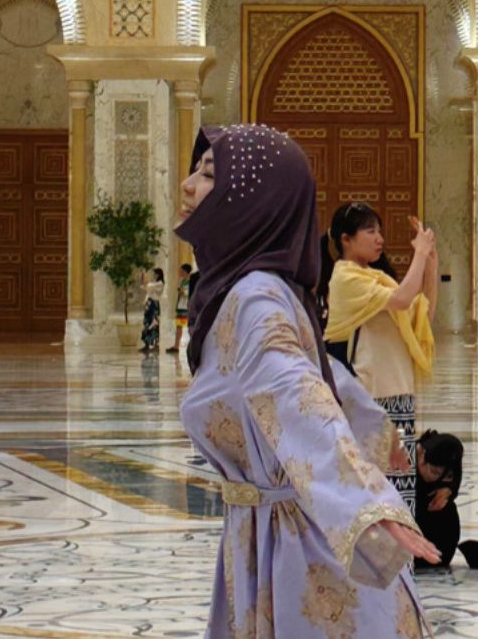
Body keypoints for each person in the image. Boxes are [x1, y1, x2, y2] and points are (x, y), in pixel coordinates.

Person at [176, 124, 438, 638]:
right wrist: (373, 427)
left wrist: (365, 501)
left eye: (207, 175)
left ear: (251, 202)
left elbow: (295, 388)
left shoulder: (255, 297)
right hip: (274, 533)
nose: (187, 185)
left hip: (299, 551)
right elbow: (315, 367)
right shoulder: (256, 290)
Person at [320, 202, 439, 511]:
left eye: (379, 231)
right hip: (371, 396)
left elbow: (422, 315)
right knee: (374, 491)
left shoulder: (376, 278)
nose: (379, 239)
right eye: (370, 231)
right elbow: (402, 299)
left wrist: (430, 262)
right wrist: (419, 255)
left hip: (398, 392)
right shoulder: (345, 278)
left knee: (400, 491)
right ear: (346, 239)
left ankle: (403, 545)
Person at [415, 429, 463, 568]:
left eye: (439, 474)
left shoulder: (451, 458)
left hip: (432, 518)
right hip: (407, 518)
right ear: (422, 455)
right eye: (433, 472)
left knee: (447, 508)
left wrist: (448, 490)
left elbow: (455, 480)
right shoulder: (406, 457)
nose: (434, 478)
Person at [167, 263, 193, 354]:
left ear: (185, 271)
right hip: (180, 306)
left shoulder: (190, 281)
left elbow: (188, 293)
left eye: (181, 270)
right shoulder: (182, 281)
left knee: (189, 326)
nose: (179, 272)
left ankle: (192, 345)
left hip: (186, 307)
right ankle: (176, 346)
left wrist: (182, 292)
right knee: (179, 326)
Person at [139, 267, 164, 353]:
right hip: (149, 304)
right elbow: (147, 288)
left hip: (154, 305)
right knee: (147, 322)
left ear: (158, 274)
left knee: (154, 323)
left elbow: (148, 287)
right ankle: (146, 344)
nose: (153, 275)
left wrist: (144, 279)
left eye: (154, 273)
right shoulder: (154, 283)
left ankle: (154, 344)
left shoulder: (160, 283)